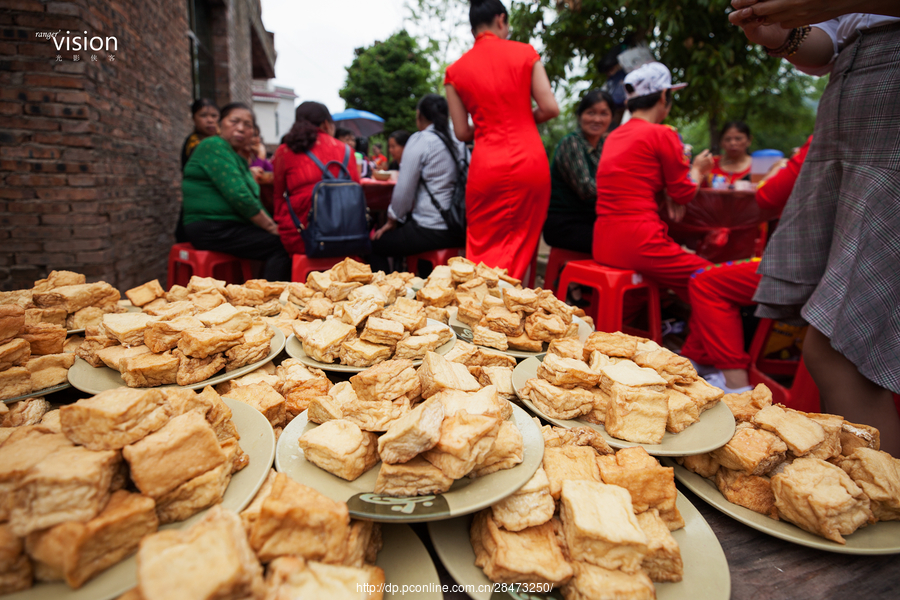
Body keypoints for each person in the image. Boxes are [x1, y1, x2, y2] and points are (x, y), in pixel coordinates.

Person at [731, 2, 900, 455]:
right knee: (828, 344)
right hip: (847, 100)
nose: (733, 145)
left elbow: (763, 202)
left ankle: (879, 504)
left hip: (886, 113)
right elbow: (829, 41)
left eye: (737, 139)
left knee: (836, 350)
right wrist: (781, 35)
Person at [680, 136, 813, 393]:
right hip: (855, 266)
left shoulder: (828, 138)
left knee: (704, 279)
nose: (732, 142)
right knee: (709, 273)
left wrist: (778, 171)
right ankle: (700, 361)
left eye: (737, 138)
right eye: (727, 138)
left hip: (815, 266)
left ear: (747, 141)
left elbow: (767, 195)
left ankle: (736, 387)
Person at [445, 0, 560, 279]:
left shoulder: (455, 71)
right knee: (522, 245)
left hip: (487, 167)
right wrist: (519, 116)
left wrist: (489, 123)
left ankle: (479, 312)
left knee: (482, 246)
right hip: (529, 161)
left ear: (473, 28)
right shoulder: (525, 53)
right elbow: (550, 108)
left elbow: (461, 132)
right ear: (501, 20)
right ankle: (514, 310)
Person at [593, 62, 714, 301]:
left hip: (603, 242)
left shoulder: (613, 136)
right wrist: (698, 170)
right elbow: (683, 193)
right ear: (663, 96)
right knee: (713, 277)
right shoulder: (662, 133)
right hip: (641, 242)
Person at [181, 103, 290, 281]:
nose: (240, 128)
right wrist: (271, 227)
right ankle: (272, 302)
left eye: (247, 125)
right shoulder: (213, 145)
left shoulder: (236, 156)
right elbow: (241, 197)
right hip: (211, 226)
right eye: (234, 121)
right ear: (220, 125)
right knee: (281, 245)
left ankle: (258, 292)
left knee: (282, 240)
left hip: (229, 226)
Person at [370, 94, 468, 273]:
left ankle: (385, 294)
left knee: (375, 246)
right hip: (459, 228)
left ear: (420, 116)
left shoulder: (421, 140)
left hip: (430, 228)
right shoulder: (458, 141)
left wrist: (392, 219)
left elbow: (404, 190)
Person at [272, 101, 361, 256]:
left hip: (303, 238)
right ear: (327, 124)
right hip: (348, 236)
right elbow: (356, 191)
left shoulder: (285, 150)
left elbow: (278, 196)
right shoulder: (348, 151)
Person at [543, 90, 614, 255]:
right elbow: (587, 189)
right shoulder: (572, 143)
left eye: (604, 114)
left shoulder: (605, 145)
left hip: (591, 221)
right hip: (565, 224)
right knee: (617, 245)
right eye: (591, 113)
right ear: (580, 115)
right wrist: (623, 191)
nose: (597, 119)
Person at [707, 121, 752, 188]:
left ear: (749, 140)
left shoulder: (758, 166)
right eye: (727, 139)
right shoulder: (710, 163)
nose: (732, 143)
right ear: (721, 142)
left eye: (738, 139)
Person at [181, 98, 219, 170]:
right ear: (194, 118)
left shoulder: (223, 139)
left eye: (214, 116)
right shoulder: (193, 144)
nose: (210, 120)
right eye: (203, 116)